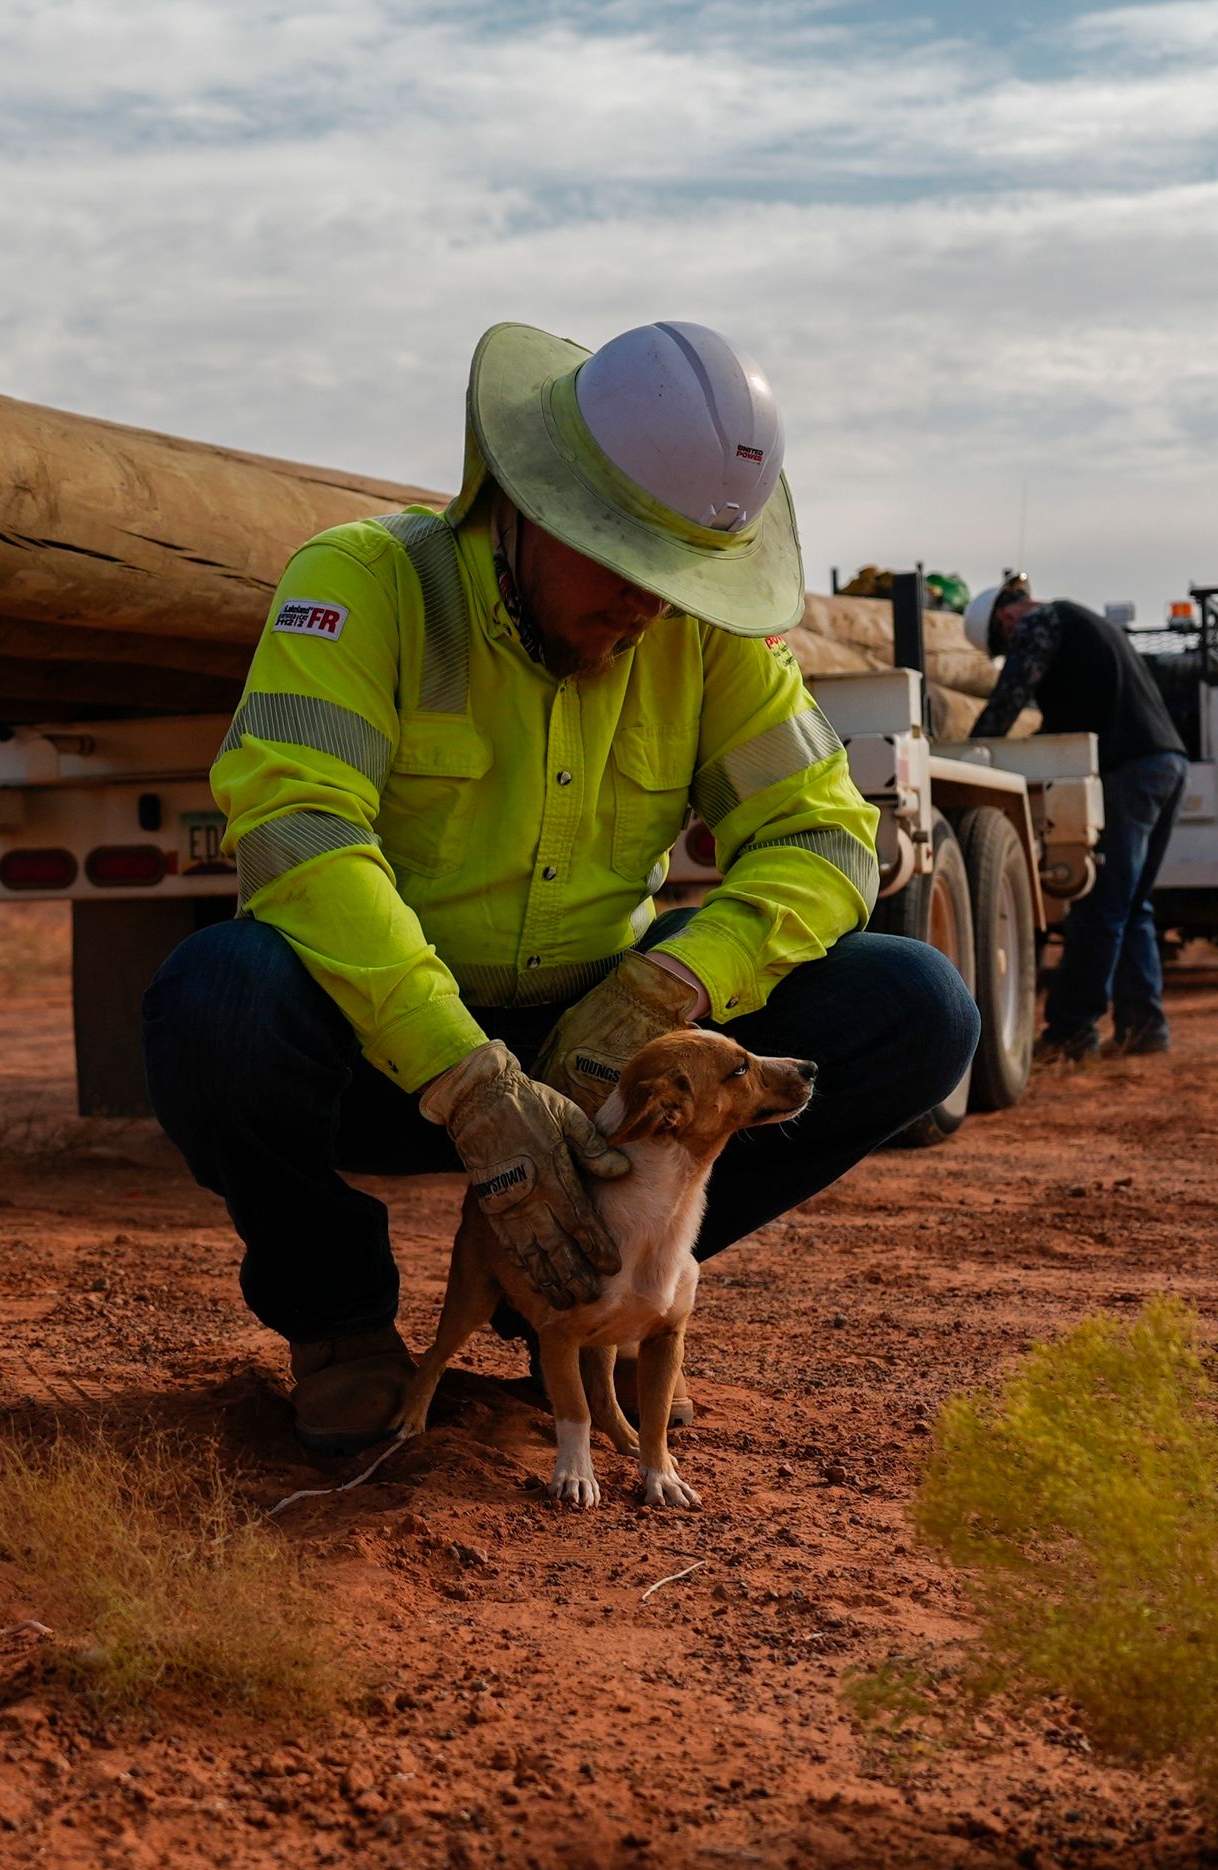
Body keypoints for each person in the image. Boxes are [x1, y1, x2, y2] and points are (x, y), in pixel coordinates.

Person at [141, 320, 979, 1457]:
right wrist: (470, 1083)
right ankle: (340, 1325)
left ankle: (601, 1298)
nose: (652, 607)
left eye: (684, 580)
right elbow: (300, 830)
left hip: (599, 1057)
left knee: (917, 1006)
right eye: (632, 567)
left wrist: (666, 990)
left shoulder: (699, 635)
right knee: (218, 997)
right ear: (531, 504)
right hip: (388, 1051)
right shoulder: (365, 585)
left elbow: (827, 838)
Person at [968, 574, 1189, 1059]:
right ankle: (1143, 1027)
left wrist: (972, 752)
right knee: (1132, 907)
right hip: (1167, 763)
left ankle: (1071, 1032)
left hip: (1129, 768)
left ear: (1005, 619)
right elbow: (1065, 715)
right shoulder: (1081, 625)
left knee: (1100, 907)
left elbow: (1009, 698)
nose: (1011, 649)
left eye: (1003, 645)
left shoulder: (1041, 622)